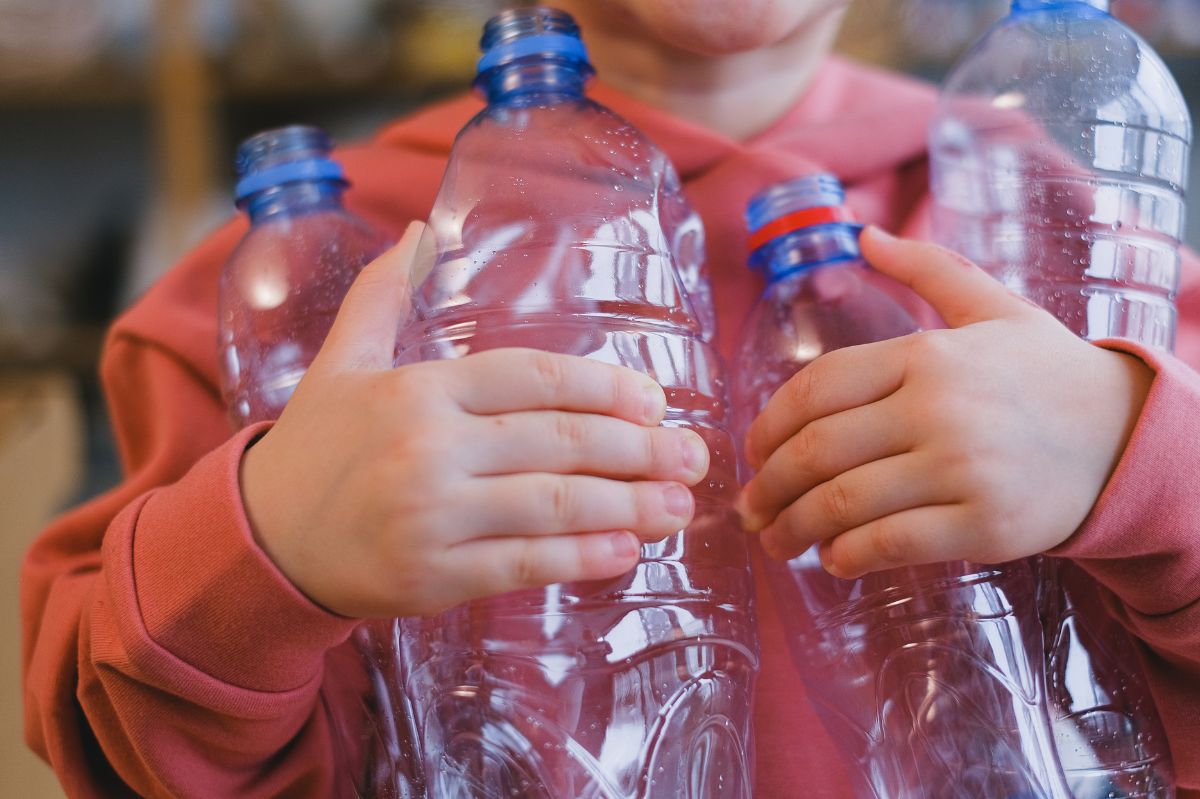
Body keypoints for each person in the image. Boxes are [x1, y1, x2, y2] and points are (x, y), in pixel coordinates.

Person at [20, 0, 1200, 796]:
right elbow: (119, 741)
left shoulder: (1075, 223)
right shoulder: (293, 282)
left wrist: (1140, 466)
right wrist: (264, 551)